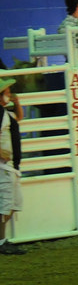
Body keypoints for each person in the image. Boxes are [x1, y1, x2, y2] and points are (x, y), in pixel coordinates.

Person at [0, 76, 25, 255]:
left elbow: (19, 117)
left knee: (10, 205)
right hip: (4, 166)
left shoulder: (5, 113)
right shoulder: (1, 114)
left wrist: (16, 102)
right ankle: (1, 242)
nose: (9, 95)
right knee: (5, 205)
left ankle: (2, 240)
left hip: (10, 166)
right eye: (7, 93)